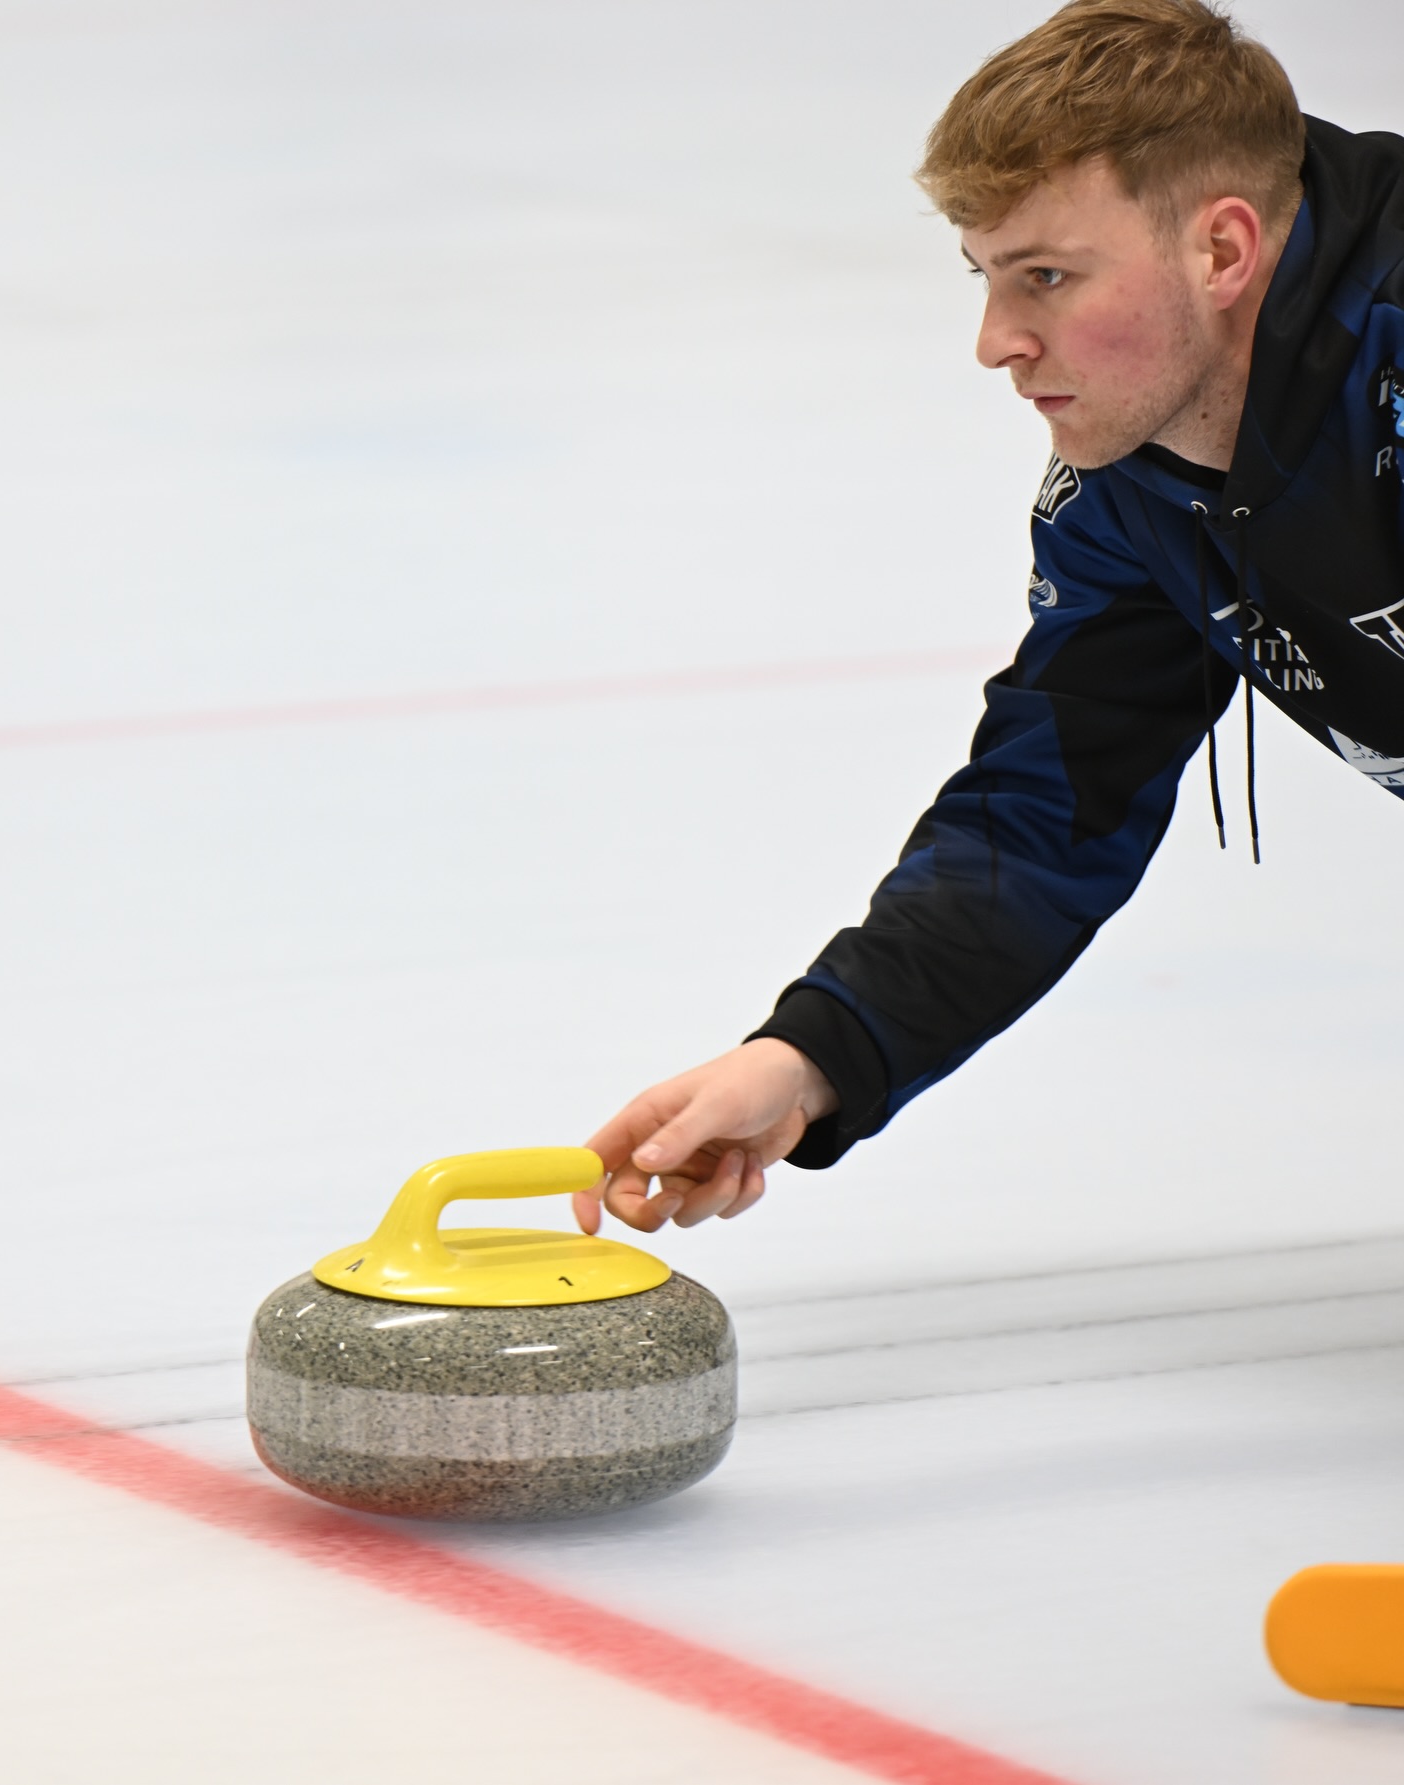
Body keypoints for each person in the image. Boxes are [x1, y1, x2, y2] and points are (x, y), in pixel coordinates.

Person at [573, 0, 1404, 1239]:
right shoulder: (1133, 488)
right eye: (988, 275)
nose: (995, 343)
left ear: (1223, 251)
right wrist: (812, 1056)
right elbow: (1045, 814)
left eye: (1047, 277)